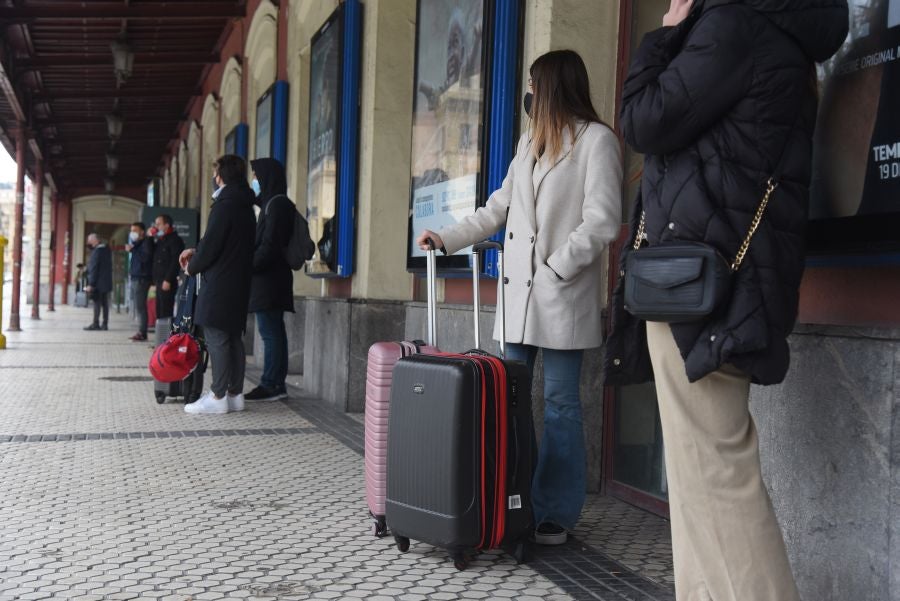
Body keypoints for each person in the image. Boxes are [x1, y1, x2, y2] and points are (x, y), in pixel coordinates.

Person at [608, 1, 848, 599]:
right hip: (723, 283)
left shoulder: (733, 27)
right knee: (697, 480)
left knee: (715, 475)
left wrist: (664, 34)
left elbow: (641, 121)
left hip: (704, 290)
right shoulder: (776, 32)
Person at [416, 49, 622, 546]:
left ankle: (556, 510)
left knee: (559, 404)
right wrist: (446, 239)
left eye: (533, 81)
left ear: (551, 85)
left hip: (560, 293)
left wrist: (556, 267)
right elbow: (495, 209)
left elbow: (603, 221)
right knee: (511, 403)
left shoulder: (597, 142)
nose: (528, 90)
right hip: (516, 300)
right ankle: (516, 499)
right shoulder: (530, 143)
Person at [178, 155, 256, 415]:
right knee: (233, 337)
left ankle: (218, 395)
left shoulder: (225, 204)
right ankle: (235, 394)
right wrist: (196, 250)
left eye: (215, 173)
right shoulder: (244, 204)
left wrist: (192, 266)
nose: (214, 178)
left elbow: (212, 245)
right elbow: (224, 241)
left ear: (221, 175)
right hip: (238, 281)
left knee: (216, 337)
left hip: (220, 283)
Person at [246, 158, 294, 401]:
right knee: (274, 332)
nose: (253, 180)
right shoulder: (272, 202)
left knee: (271, 333)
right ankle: (275, 383)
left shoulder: (277, 206)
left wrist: (248, 265)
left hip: (270, 280)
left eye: (256, 176)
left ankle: (272, 384)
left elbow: (270, 246)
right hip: (271, 279)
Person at [149, 213, 184, 320]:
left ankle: (167, 336)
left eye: (159, 224)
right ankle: (160, 335)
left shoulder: (175, 240)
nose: (156, 227)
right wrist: (149, 237)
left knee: (166, 310)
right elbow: (150, 253)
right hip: (158, 280)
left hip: (167, 280)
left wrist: (168, 279)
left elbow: (175, 262)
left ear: (166, 225)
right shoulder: (161, 239)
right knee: (159, 309)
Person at [125, 222, 154, 341]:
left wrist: (133, 250)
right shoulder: (139, 243)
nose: (133, 233)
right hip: (137, 277)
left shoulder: (147, 242)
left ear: (142, 231)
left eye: (135, 230)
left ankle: (142, 332)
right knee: (138, 306)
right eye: (131, 230)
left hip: (142, 278)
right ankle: (141, 331)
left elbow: (145, 258)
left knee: (140, 306)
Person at [83, 233, 112, 331]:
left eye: (89, 240)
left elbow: (94, 268)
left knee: (97, 303)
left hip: (98, 283)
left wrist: (91, 284)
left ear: (95, 240)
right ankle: (105, 324)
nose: (88, 242)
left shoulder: (97, 251)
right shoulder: (106, 250)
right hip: (106, 282)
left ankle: (96, 323)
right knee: (105, 304)